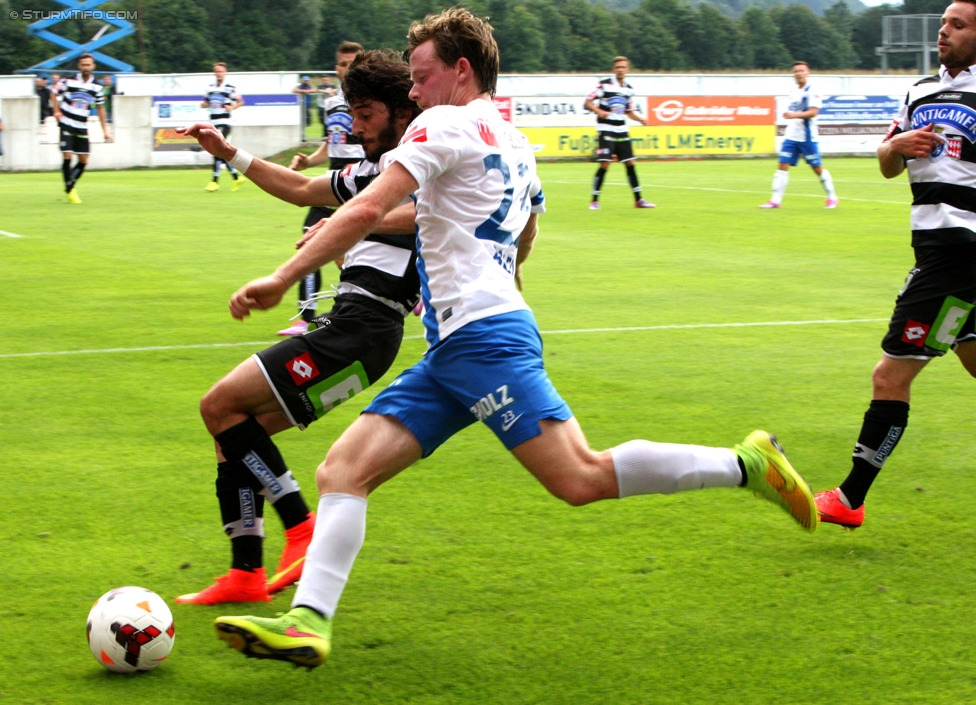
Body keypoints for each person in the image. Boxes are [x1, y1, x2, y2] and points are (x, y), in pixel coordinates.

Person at [209, 8, 817, 669]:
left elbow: (364, 207)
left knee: (578, 476)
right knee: (343, 470)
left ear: (460, 71)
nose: (412, 92)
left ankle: (748, 463)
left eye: (421, 76)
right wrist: (511, 279)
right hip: (462, 343)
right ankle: (308, 622)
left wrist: (283, 277)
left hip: (483, 339)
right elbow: (526, 229)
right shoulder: (513, 138)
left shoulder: (443, 121)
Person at [173, 49, 423, 605]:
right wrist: (229, 152)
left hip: (363, 327)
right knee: (233, 436)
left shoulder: (422, 162)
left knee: (218, 406)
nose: (354, 128)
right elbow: (301, 188)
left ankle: (301, 527)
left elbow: (431, 213)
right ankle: (244, 575)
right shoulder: (373, 170)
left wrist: (348, 220)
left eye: (364, 114)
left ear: (400, 111)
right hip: (359, 332)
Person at [814, 0, 976, 529]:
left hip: (959, 253)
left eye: (957, 25)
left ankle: (850, 497)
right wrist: (898, 145)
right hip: (935, 250)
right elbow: (887, 164)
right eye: (944, 23)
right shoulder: (920, 91)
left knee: (890, 375)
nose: (943, 32)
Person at [278, 41, 366, 337]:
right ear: (336, 68)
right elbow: (332, 144)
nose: (346, 69)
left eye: (352, 63)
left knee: (348, 254)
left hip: (362, 184)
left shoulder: (372, 100)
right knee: (310, 241)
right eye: (342, 64)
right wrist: (308, 161)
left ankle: (388, 294)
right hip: (333, 183)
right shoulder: (330, 102)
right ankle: (306, 318)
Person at [759, 61, 838, 210]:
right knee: (782, 165)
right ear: (793, 74)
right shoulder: (794, 90)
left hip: (807, 137)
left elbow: (813, 112)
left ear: (807, 73)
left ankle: (832, 197)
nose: (799, 73)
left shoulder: (813, 90)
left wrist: (793, 115)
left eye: (802, 70)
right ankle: (775, 200)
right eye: (796, 71)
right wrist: (792, 116)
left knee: (817, 168)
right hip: (791, 135)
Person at [584, 56, 654, 210]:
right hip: (606, 129)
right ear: (614, 69)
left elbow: (629, 111)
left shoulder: (629, 89)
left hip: (622, 130)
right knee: (605, 164)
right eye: (618, 67)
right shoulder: (604, 85)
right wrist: (598, 111)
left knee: (630, 163)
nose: (620, 70)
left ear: (627, 69)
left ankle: (638, 200)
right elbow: (588, 101)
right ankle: (594, 200)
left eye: (623, 67)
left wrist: (640, 119)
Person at [51, 54, 113, 204]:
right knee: (67, 156)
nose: (86, 67)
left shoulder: (97, 87)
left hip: (81, 126)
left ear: (93, 66)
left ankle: (70, 184)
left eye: (88, 65)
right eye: (83, 65)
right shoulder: (69, 80)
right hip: (66, 123)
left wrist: (105, 131)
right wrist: (57, 111)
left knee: (84, 160)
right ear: (79, 66)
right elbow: (53, 92)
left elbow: (100, 108)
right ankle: (70, 190)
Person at [201, 62, 245, 192]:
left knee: (218, 149)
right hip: (213, 123)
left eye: (221, 71)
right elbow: (206, 102)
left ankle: (215, 182)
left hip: (225, 122)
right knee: (219, 151)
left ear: (225, 73)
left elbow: (241, 101)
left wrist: (232, 107)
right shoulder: (209, 88)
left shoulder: (230, 88)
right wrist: (204, 105)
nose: (219, 73)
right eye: (217, 71)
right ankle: (236, 177)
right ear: (214, 73)